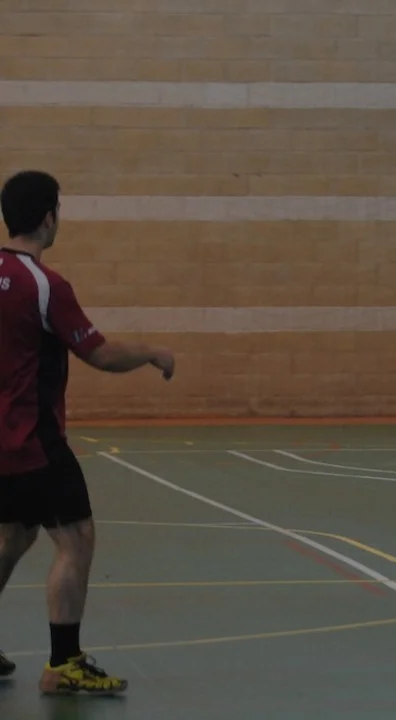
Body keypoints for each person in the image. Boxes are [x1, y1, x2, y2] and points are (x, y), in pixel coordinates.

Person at [0, 170, 174, 695]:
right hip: (33, 439)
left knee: (15, 534)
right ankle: (65, 664)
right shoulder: (45, 285)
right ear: (48, 217)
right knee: (75, 538)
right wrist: (151, 352)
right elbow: (99, 353)